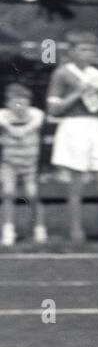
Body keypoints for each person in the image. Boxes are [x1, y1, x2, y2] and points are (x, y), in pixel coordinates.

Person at [46, 32, 98, 244]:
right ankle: (76, 232)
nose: (88, 53)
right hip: (73, 126)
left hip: (95, 127)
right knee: (76, 183)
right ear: (71, 52)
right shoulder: (62, 74)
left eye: (91, 49)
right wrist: (77, 93)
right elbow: (53, 109)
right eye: (82, 49)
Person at [0, 82, 48, 246]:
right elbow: (5, 123)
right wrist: (10, 128)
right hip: (9, 163)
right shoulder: (3, 115)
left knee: (32, 194)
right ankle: (8, 230)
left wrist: (21, 130)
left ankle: (39, 228)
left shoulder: (36, 115)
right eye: (15, 102)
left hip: (30, 164)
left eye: (24, 102)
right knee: (8, 193)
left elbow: (34, 123)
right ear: (8, 103)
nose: (20, 106)